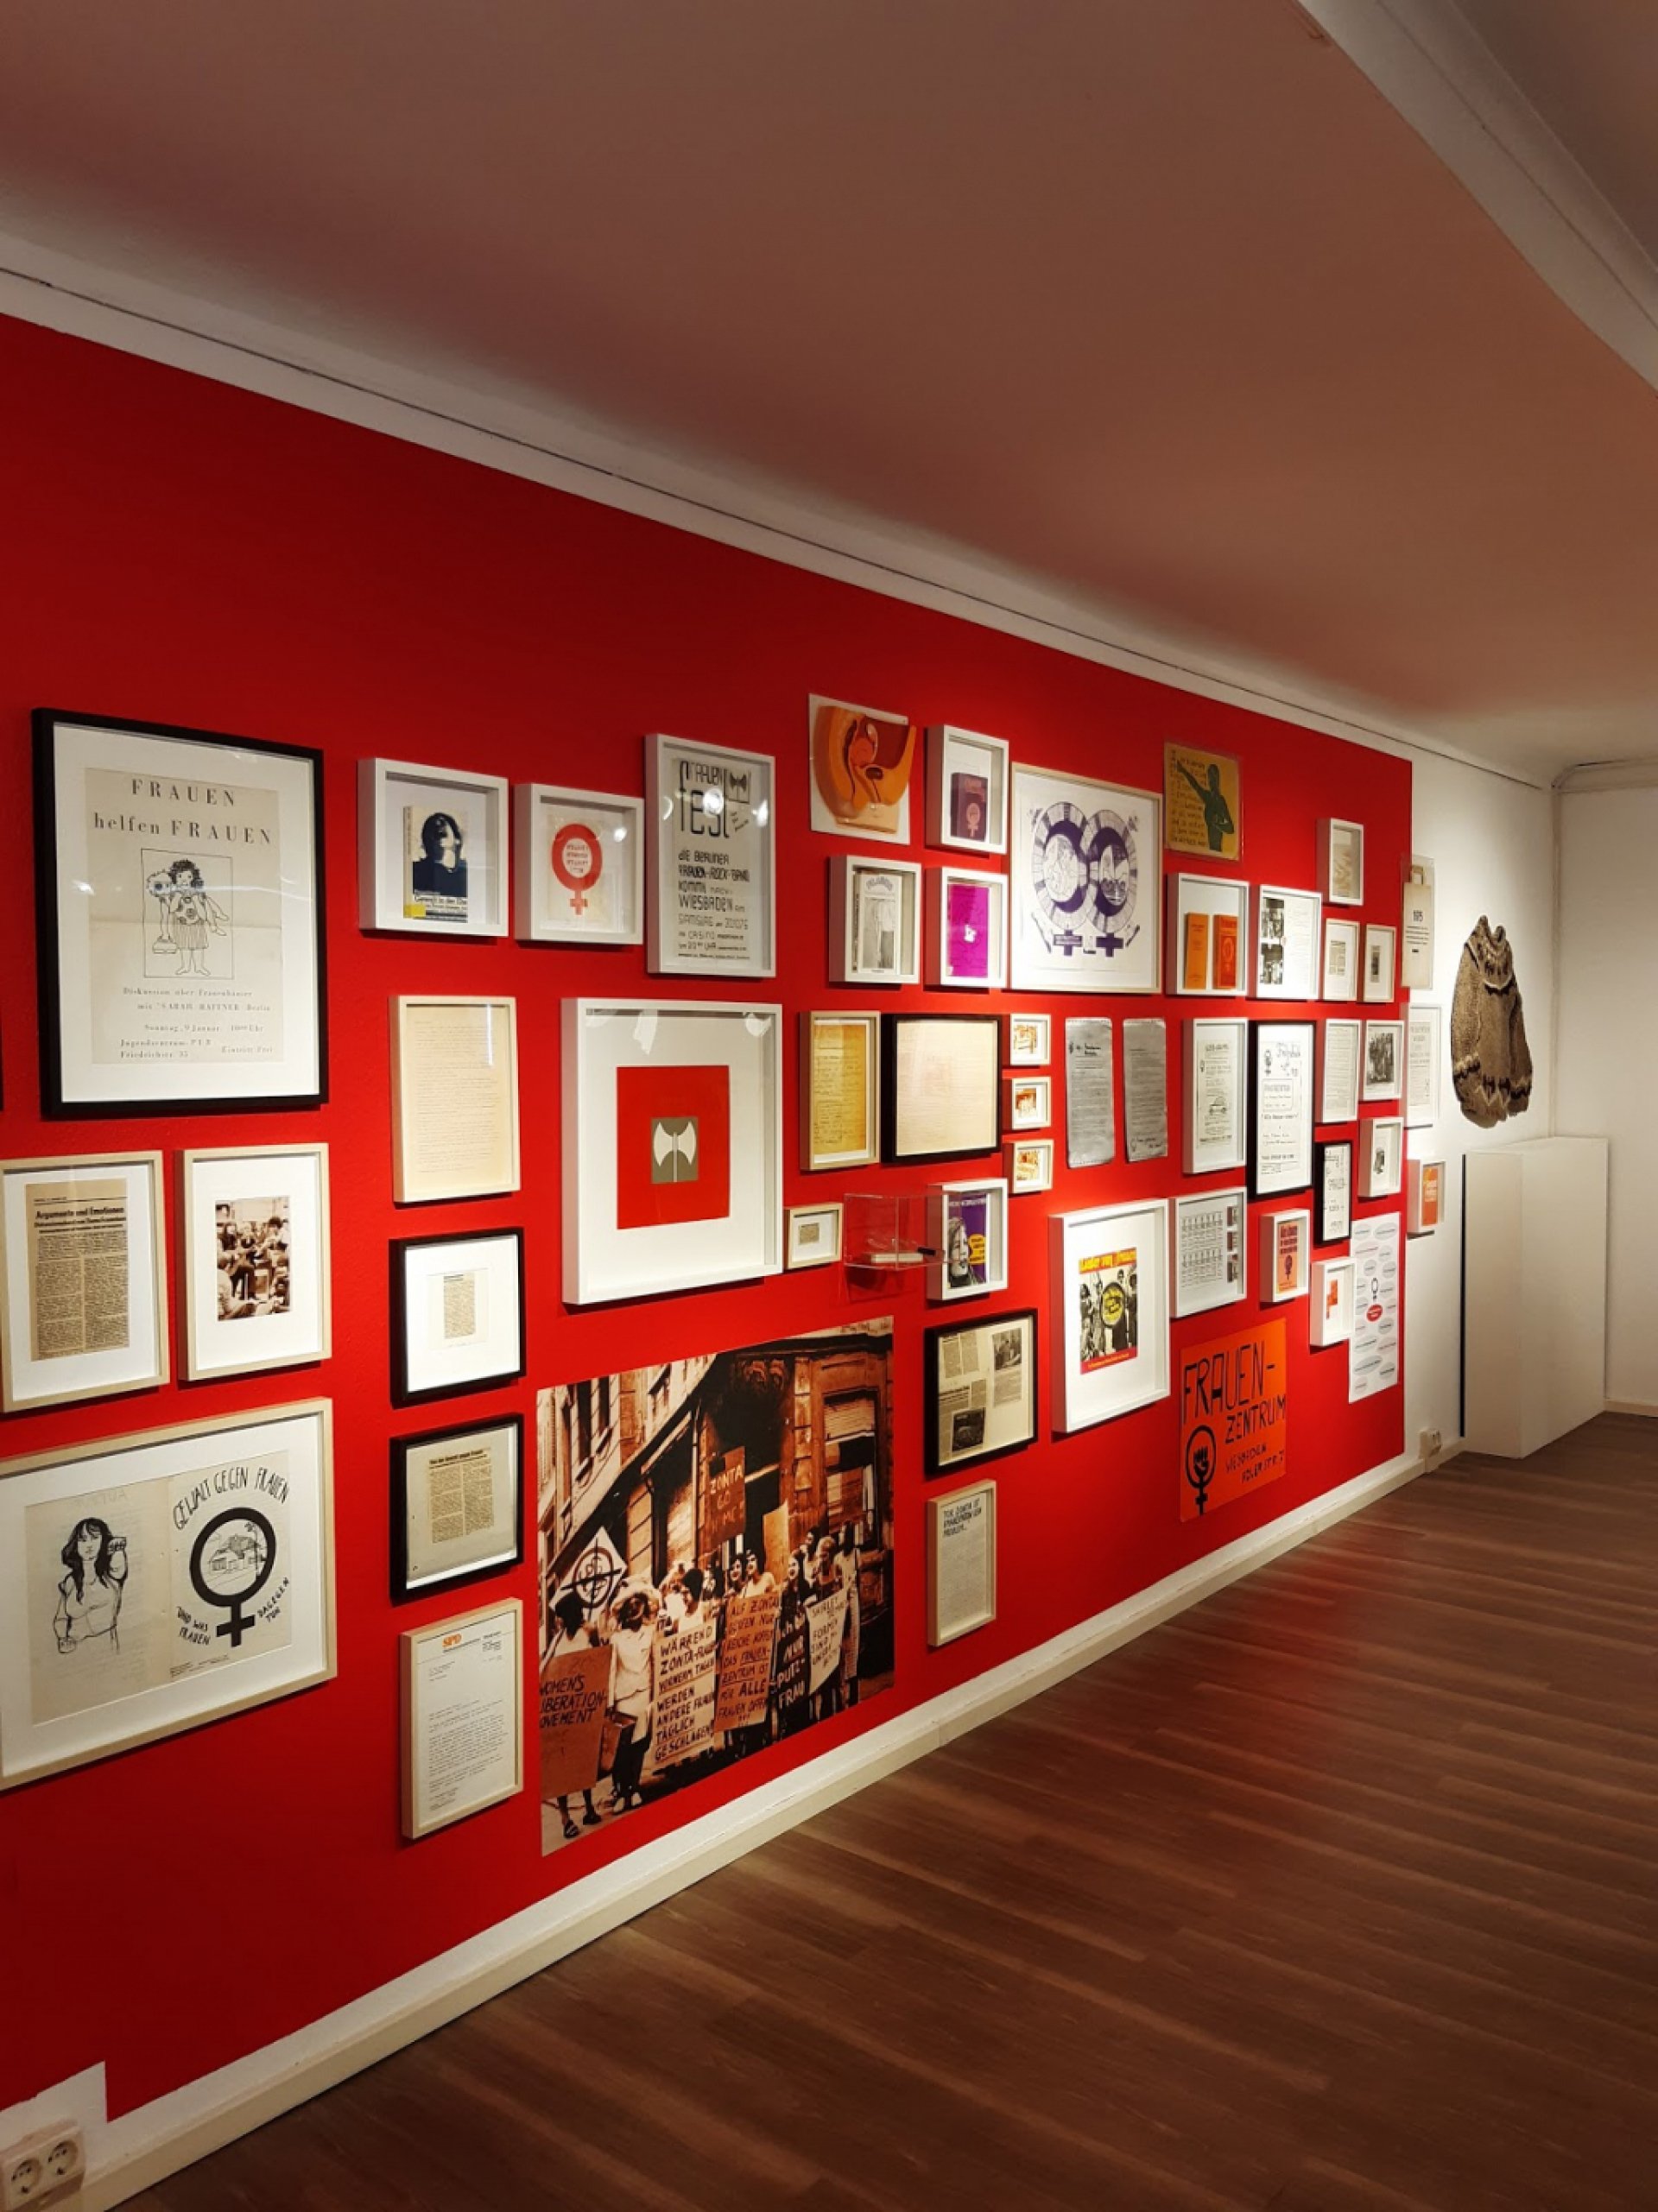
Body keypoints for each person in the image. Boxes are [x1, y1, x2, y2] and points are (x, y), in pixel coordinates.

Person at [547, 1590, 604, 1841]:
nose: (558, 1621)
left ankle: (589, 1807)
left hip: (584, 1707)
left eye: (561, 1616)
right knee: (562, 1766)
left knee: (584, 1760)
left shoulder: (588, 1633)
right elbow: (548, 1668)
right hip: (564, 1710)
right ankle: (565, 1818)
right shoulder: (557, 1640)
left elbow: (600, 1660)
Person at [605, 1587, 655, 1816]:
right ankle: (621, 1791)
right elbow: (611, 1671)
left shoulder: (650, 1633)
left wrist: (655, 1695)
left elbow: (655, 1663)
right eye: (631, 1605)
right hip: (623, 1698)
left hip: (643, 1694)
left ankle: (634, 1788)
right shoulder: (616, 1638)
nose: (635, 1608)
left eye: (639, 1603)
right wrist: (609, 1702)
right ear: (625, 1610)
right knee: (621, 1749)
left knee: (639, 1745)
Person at [54, 1518, 128, 1655]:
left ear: (103, 1540)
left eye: (94, 1538)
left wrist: (117, 1548)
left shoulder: (111, 1574)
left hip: (105, 1648)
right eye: (83, 1540)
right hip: (74, 1650)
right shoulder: (70, 1581)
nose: (88, 1544)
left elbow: (118, 1567)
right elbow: (61, 1617)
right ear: (76, 1544)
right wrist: (62, 1638)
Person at [148, 857, 228, 976]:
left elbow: (203, 913)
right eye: (180, 877)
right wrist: (177, 897)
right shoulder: (173, 893)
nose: (184, 880)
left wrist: (195, 900)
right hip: (181, 924)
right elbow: (172, 909)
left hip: (197, 924)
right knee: (184, 947)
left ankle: (199, 967)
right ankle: (185, 967)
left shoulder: (196, 892)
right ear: (174, 878)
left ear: (193, 878)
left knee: (198, 947)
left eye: (189, 877)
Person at [1176, 759, 1235, 853]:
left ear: (1218, 779)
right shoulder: (1208, 797)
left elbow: (1231, 829)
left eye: (1213, 777)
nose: (1211, 781)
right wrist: (1183, 771)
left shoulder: (1220, 801)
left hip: (1217, 850)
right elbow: (1195, 785)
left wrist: (1218, 824)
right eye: (1209, 777)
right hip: (1211, 850)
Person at [410, 811, 467, 901]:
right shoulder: (414, 871)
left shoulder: (466, 875)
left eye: (442, 834)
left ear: (457, 840)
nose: (438, 823)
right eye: (433, 832)